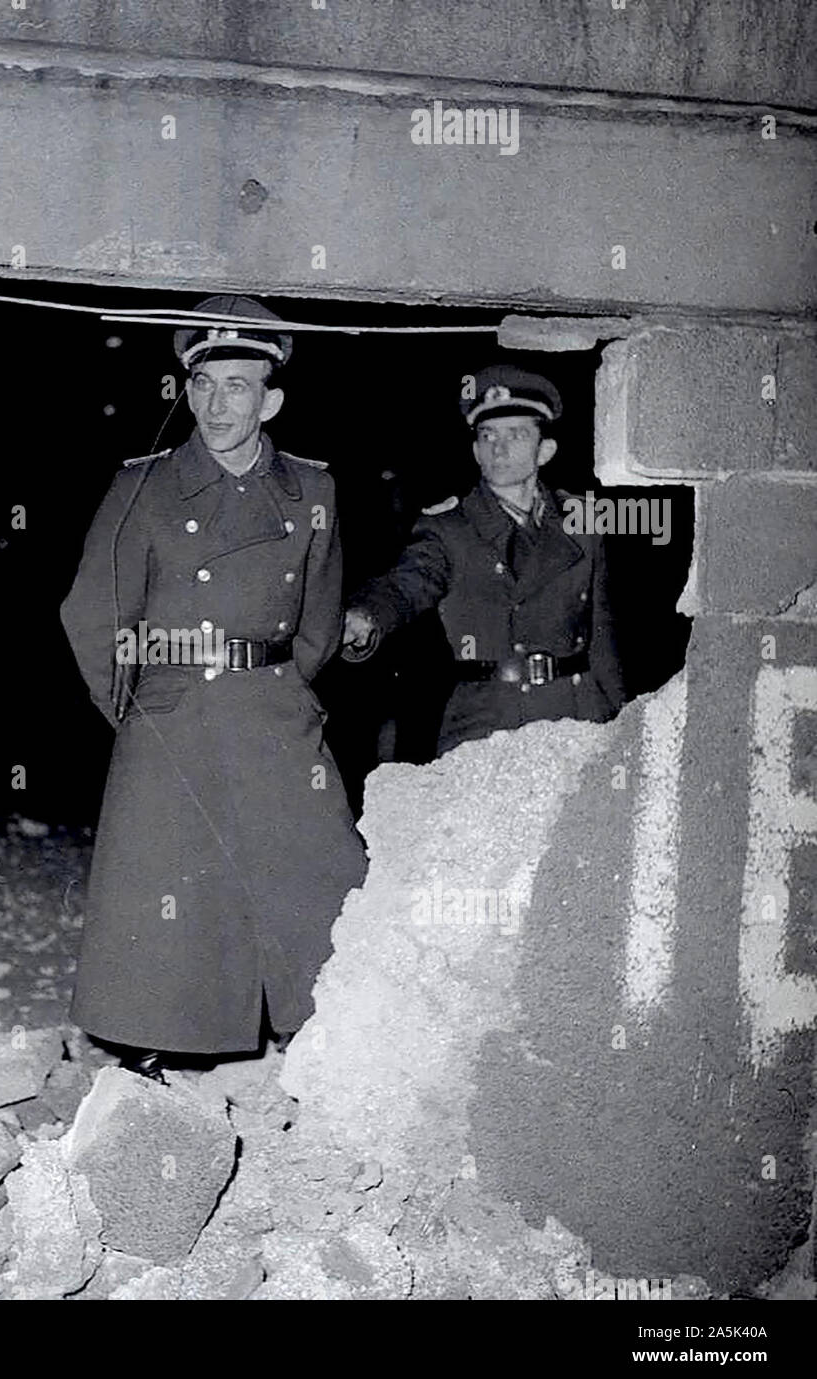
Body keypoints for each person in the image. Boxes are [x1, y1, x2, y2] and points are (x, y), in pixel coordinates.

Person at [60, 295, 367, 1081]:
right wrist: (136, 708)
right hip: (173, 710)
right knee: (170, 885)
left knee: (314, 866)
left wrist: (284, 692)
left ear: (273, 399)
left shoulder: (314, 492)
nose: (215, 404)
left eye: (237, 386)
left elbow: (319, 621)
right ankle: (158, 1043)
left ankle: (328, 1037)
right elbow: (95, 612)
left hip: (270, 706)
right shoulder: (143, 487)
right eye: (202, 385)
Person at [342, 365, 624, 755]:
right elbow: (408, 584)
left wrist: (618, 722)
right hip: (490, 722)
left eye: (516, 435)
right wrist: (368, 615)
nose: (499, 449)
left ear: (545, 450)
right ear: (475, 449)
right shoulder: (449, 528)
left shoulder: (583, 521)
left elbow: (602, 637)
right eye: (488, 436)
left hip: (577, 717)